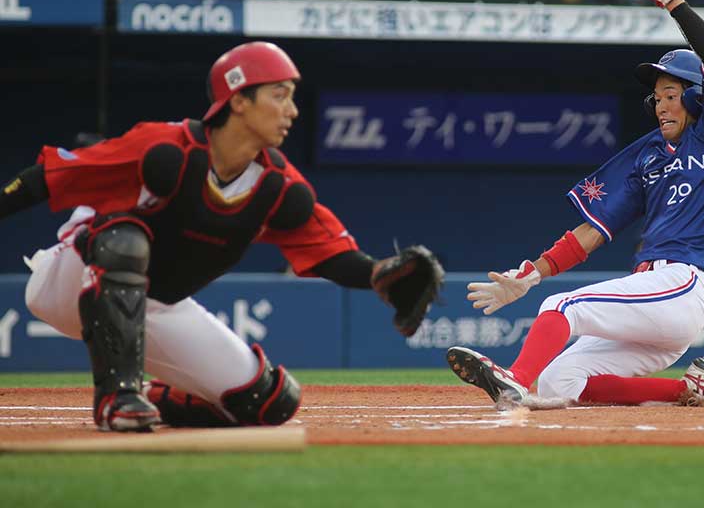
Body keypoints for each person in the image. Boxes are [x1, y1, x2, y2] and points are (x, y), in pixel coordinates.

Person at [2, 41, 440, 432]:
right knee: (125, 240)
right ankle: (117, 396)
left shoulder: (279, 188)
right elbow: (47, 177)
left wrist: (382, 274)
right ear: (239, 100)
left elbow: (331, 255)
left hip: (155, 306)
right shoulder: (165, 150)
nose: (293, 110)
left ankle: (157, 398)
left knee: (268, 402)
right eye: (279, 95)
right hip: (71, 278)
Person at [447, 0, 704, 409]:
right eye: (657, 97)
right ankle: (691, 390)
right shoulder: (648, 154)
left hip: (683, 284)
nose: (662, 104)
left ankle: (514, 378)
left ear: (695, 96)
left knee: (563, 307)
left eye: (672, 94)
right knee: (559, 383)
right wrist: (529, 275)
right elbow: (593, 232)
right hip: (651, 302)